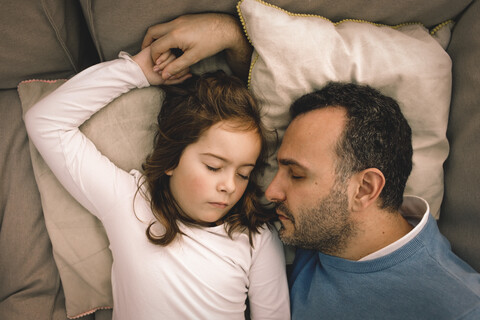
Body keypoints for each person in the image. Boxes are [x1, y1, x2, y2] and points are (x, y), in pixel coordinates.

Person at [143, 13, 480, 319]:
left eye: (297, 174)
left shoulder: (458, 306)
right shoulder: (317, 232)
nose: (270, 190)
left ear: (364, 189)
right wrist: (229, 34)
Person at [24, 45, 290, 319]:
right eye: (213, 167)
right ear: (172, 160)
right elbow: (45, 121)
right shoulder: (129, 202)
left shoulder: (256, 238)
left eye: (243, 173)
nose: (230, 186)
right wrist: (135, 71)